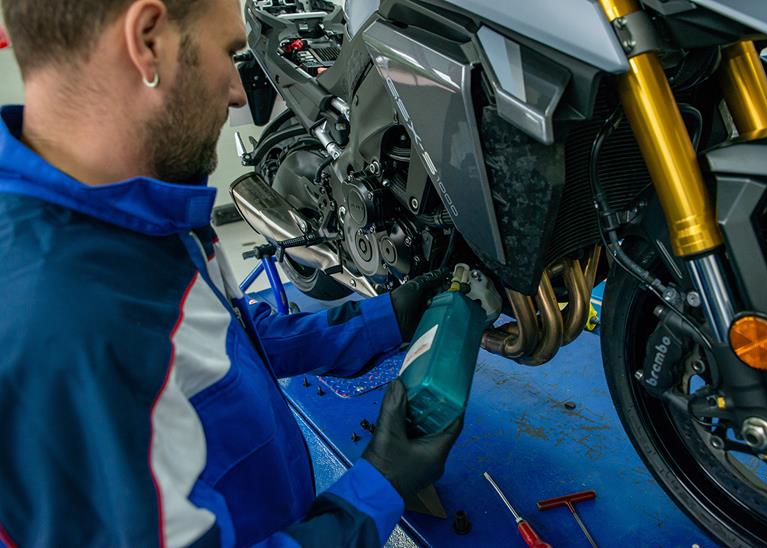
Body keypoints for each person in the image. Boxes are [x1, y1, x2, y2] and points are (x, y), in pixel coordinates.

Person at [0, 0, 463, 546]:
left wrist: (385, 317)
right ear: (147, 41)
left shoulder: (131, 210)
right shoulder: (66, 330)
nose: (240, 93)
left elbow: (220, 343)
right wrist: (377, 489)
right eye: (228, 53)